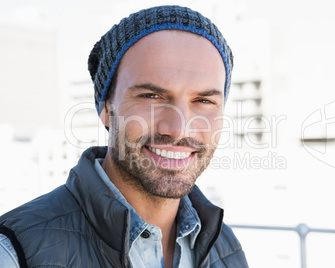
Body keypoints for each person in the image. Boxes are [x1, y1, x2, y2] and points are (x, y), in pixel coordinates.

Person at [0, 5, 248, 268]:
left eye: (204, 100)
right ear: (107, 108)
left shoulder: (226, 248)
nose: (178, 128)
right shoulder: (16, 253)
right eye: (152, 96)